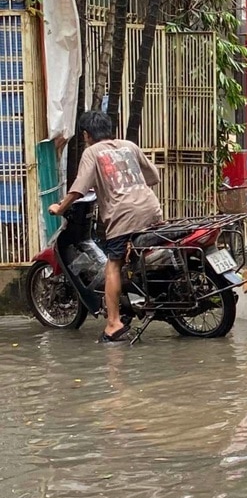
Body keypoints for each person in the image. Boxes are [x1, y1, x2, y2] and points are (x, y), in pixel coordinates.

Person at [47, 111, 163, 343]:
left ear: (87, 134)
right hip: (151, 210)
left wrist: (60, 208)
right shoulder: (129, 145)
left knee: (113, 265)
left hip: (123, 216)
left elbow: (79, 187)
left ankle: (113, 323)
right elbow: (154, 176)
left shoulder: (92, 152)